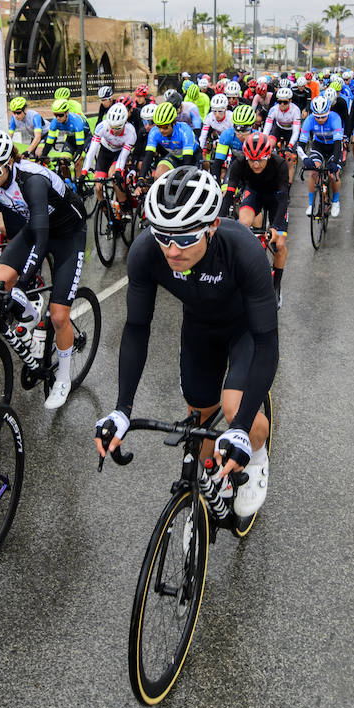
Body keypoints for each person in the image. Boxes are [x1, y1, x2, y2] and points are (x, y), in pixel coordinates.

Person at [95, 166, 276, 519]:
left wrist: (238, 430)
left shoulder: (242, 250)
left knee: (233, 407)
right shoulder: (146, 251)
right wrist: (122, 408)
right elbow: (135, 328)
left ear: (212, 227)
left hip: (246, 330)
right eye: (163, 236)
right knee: (199, 419)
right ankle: (209, 483)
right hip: (199, 328)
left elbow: (268, 342)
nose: (173, 250)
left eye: (186, 238)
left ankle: (257, 454)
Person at [0, 129, 87, 409]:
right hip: (36, 228)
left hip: (68, 234)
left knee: (59, 316)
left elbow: (43, 238)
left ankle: (62, 377)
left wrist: (22, 286)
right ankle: (31, 313)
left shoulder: (32, 180)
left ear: (9, 162)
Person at [222, 132, 290, 305]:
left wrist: (274, 227)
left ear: (268, 155)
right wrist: (219, 222)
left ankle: (276, 286)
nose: (256, 164)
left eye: (260, 159)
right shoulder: (239, 164)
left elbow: (283, 200)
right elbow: (228, 196)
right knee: (243, 225)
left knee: (280, 245)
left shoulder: (279, 164)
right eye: (251, 160)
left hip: (275, 199)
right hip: (255, 194)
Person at [299, 95, 346, 220]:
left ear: (328, 112)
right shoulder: (309, 120)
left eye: (323, 116)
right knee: (314, 172)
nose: (320, 119)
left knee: (333, 174)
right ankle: (310, 203)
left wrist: (335, 162)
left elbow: (338, 143)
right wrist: (305, 158)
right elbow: (301, 145)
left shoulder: (335, 118)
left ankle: (335, 201)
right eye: (317, 117)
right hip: (319, 145)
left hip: (333, 147)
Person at [142, 101, 199, 177]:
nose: (162, 130)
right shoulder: (154, 132)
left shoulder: (185, 131)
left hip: (192, 156)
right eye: (159, 126)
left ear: (174, 122)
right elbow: (148, 155)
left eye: (165, 127)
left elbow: (187, 161)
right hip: (175, 156)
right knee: (158, 175)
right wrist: (141, 177)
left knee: (185, 180)